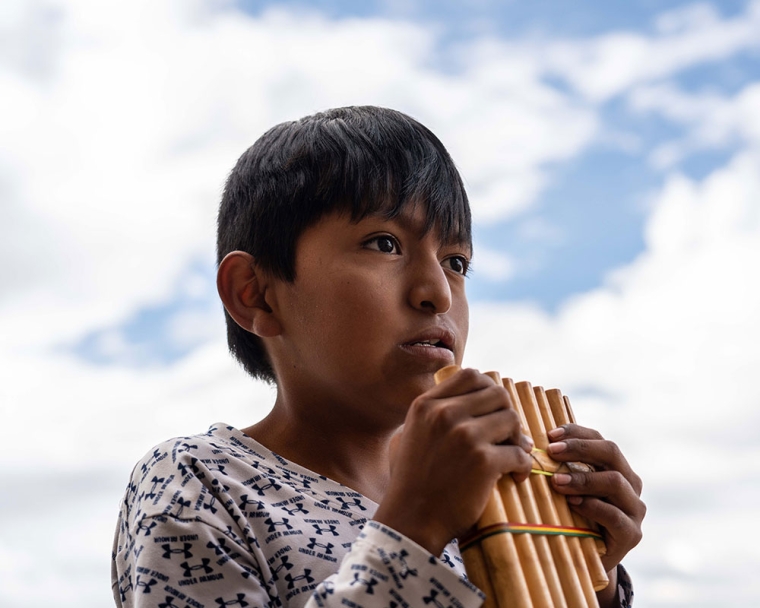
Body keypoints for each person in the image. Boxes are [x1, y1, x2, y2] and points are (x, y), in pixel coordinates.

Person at [111, 106, 645, 608]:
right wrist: (416, 523)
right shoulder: (200, 481)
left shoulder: (488, 502)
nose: (437, 291)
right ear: (256, 292)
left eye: (456, 260)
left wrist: (594, 584)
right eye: (384, 244)